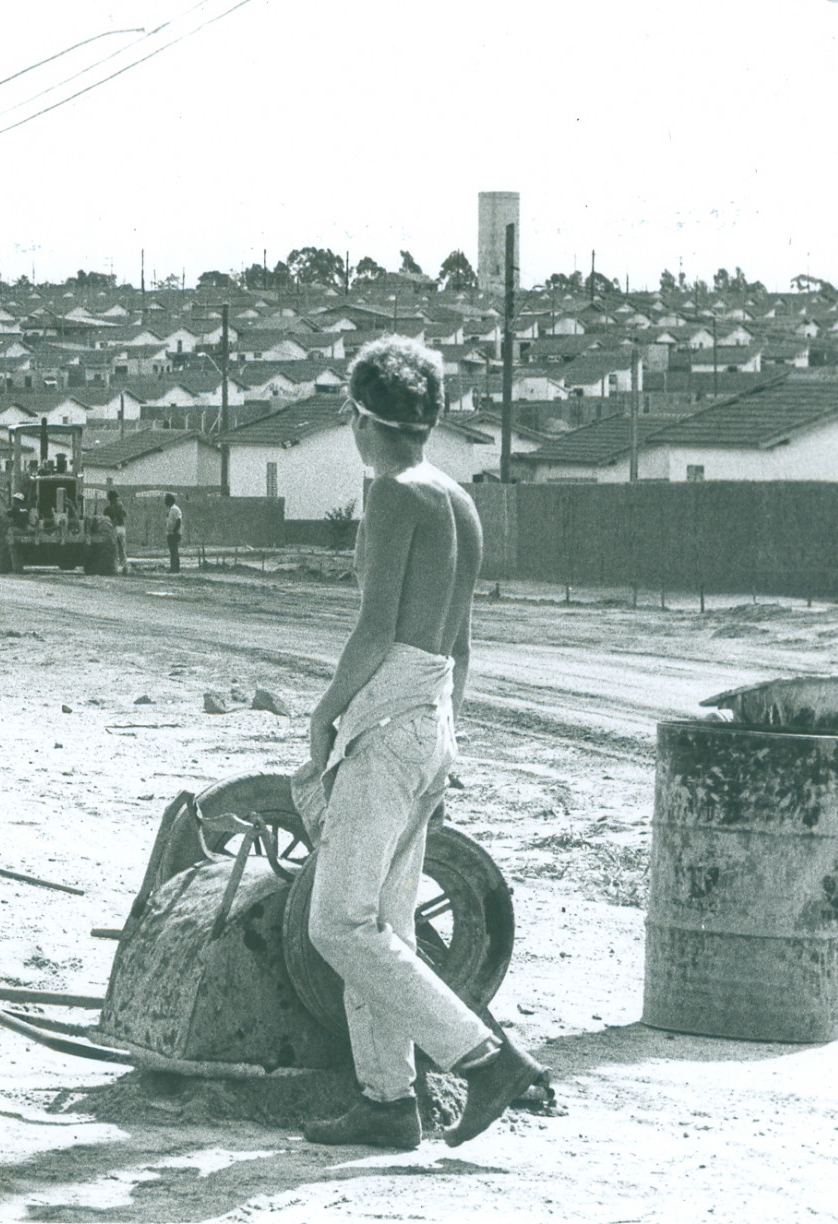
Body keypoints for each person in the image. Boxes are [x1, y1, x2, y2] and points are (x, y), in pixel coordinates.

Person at [300, 336, 544, 1151]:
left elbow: (373, 631)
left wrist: (325, 714)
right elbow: (462, 644)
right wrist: (444, 732)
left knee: (336, 924)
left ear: (360, 419)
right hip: (435, 714)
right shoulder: (457, 500)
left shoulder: (391, 495)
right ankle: (385, 1102)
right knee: (385, 927)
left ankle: (482, 1059)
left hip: (392, 716)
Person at [103, 489, 128, 574]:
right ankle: (125, 567)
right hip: (122, 528)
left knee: (114, 549)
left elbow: (106, 519)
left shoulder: (108, 509)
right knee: (122, 549)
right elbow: (125, 516)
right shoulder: (120, 506)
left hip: (113, 529)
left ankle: (115, 568)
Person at [164, 493, 182, 572]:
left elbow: (178, 520)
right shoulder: (171, 509)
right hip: (170, 533)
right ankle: (175, 568)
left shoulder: (175, 509)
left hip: (174, 533)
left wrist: (175, 530)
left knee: (174, 551)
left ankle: (174, 568)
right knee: (173, 551)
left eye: (166, 500)